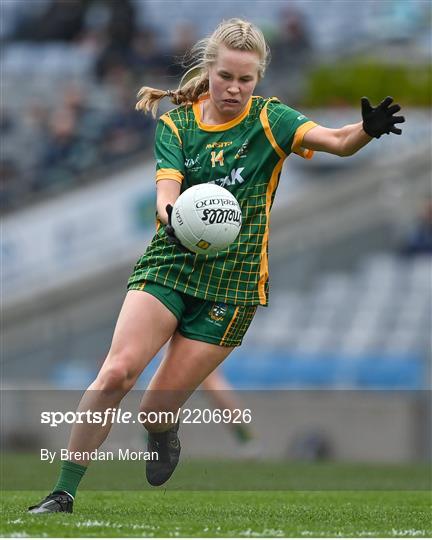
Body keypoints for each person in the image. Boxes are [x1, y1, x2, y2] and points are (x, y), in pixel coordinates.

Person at [28, 18, 404, 514]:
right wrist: (172, 216)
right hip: (170, 264)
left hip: (233, 284)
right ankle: (63, 492)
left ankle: (163, 432)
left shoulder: (272, 120)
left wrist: (367, 131)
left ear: (258, 80)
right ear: (210, 71)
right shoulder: (177, 124)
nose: (235, 88)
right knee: (117, 372)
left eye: (246, 80)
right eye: (227, 76)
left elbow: (336, 139)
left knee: (154, 410)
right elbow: (166, 191)